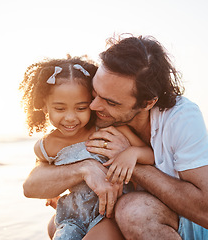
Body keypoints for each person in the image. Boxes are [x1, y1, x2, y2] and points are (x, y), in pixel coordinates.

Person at [23, 34, 208, 239]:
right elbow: (33, 183)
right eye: (94, 93)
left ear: (147, 103)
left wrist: (128, 161)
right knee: (57, 225)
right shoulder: (88, 112)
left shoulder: (182, 118)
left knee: (132, 212)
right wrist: (84, 169)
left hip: (189, 219)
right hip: (124, 208)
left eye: (111, 102)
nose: (94, 107)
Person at [19, 56, 154, 240]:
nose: (70, 118)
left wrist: (133, 153)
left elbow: (152, 156)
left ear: (92, 102)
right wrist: (52, 192)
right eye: (60, 109)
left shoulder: (111, 130)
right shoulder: (46, 146)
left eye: (81, 108)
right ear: (44, 107)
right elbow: (40, 179)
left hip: (108, 214)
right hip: (71, 216)